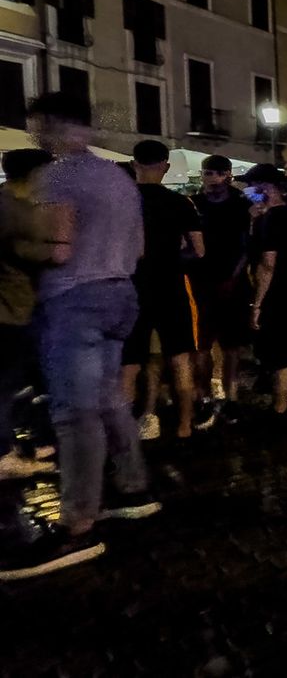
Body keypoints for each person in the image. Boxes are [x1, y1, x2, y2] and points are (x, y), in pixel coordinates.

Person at [1, 94, 156, 582]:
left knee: (74, 413)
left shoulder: (57, 175)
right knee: (109, 398)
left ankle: (78, 523)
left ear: (53, 127)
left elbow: (59, 248)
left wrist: (19, 244)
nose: (35, 137)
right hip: (121, 293)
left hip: (75, 299)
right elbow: (141, 247)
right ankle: (134, 489)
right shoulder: (119, 177)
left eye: (37, 127)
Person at [121, 140, 204, 441]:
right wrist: (175, 255)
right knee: (179, 359)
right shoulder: (182, 203)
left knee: (129, 364)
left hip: (133, 287)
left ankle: (124, 432)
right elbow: (199, 250)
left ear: (134, 165)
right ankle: (184, 425)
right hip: (172, 288)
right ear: (166, 166)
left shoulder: (124, 203)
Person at [0, 149, 56, 480]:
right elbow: (28, 252)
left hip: (16, 309)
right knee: (6, 385)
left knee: (24, 381)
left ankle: (35, 442)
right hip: (12, 310)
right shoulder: (13, 210)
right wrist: (58, 248)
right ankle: (5, 455)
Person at [190, 155, 250, 412]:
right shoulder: (194, 204)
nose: (211, 178)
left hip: (232, 282)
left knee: (232, 345)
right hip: (200, 281)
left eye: (216, 173)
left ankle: (231, 394)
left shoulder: (240, 204)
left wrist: (234, 277)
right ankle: (203, 393)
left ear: (228, 174)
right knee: (202, 343)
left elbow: (246, 245)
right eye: (207, 172)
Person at [243, 164, 287, 421]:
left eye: (254, 187)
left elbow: (268, 264)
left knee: (277, 350)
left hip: (274, 291)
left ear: (267, 188)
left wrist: (257, 304)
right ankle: (283, 399)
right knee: (284, 346)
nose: (250, 191)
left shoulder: (271, 220)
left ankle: (279, 406)